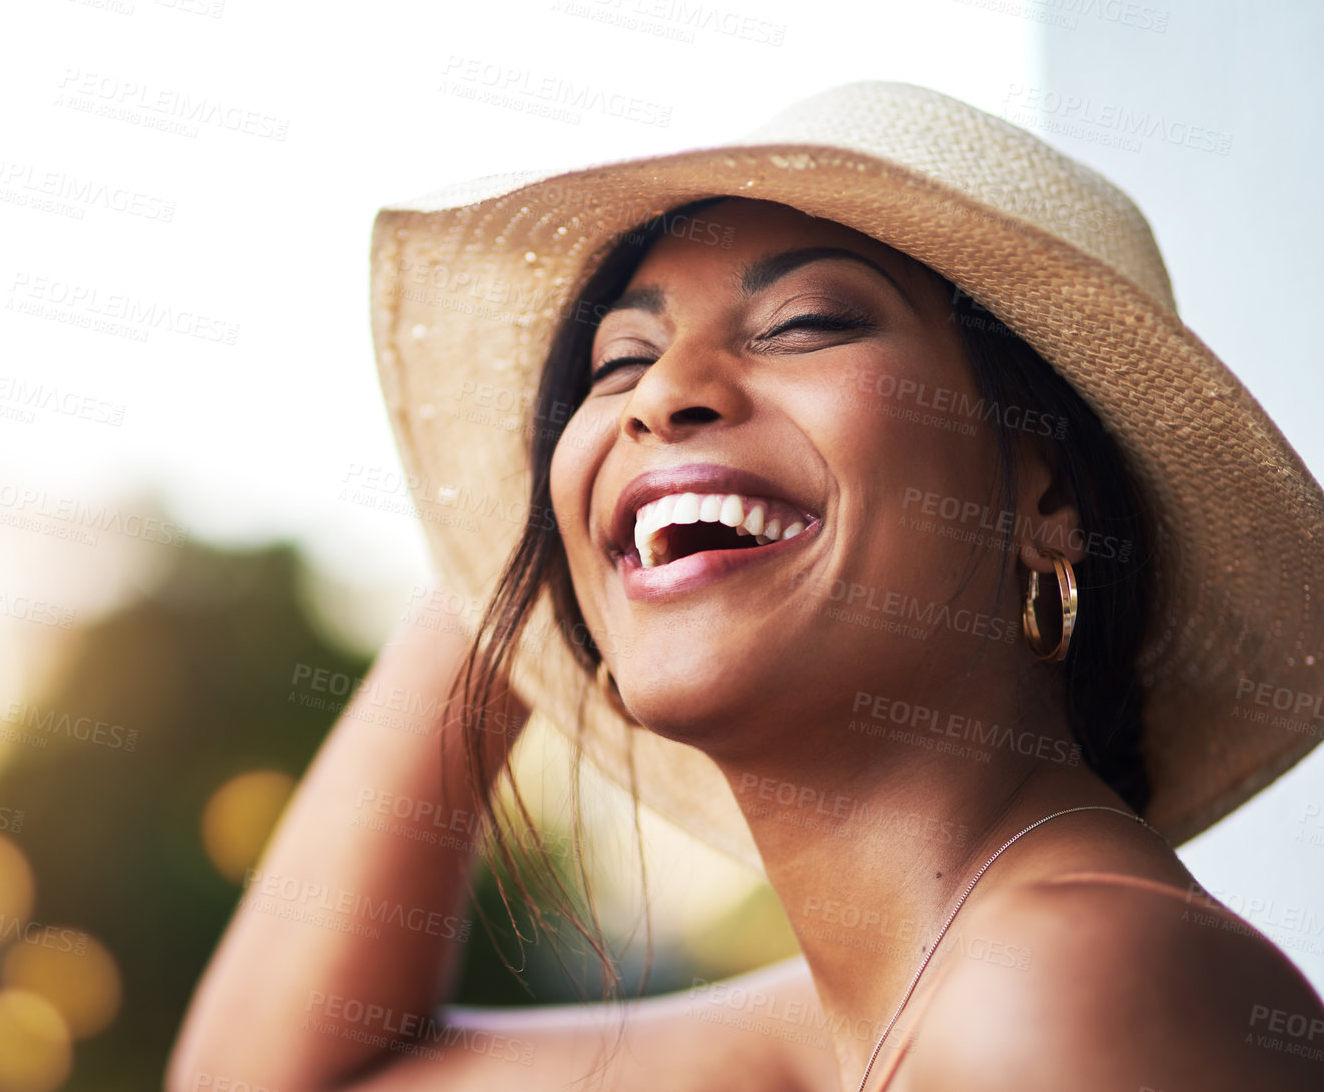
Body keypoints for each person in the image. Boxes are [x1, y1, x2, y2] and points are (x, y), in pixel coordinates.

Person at [169, 81, 1324, 1090]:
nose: (659, 395)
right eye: (616, 361)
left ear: (1047, 495)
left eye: (807, 322)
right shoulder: (887, 1008)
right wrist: (544, 543)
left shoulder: (1068, 987)